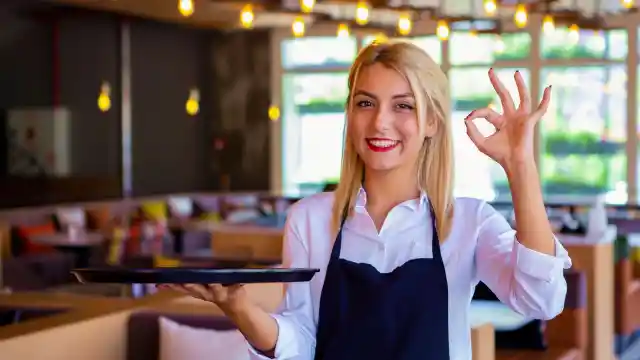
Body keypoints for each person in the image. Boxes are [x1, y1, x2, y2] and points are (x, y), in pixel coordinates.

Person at [161, 40, 572, 360]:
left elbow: (541, 300)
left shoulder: (468, 221)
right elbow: (304, 343)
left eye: (403, 106)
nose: (380, 122)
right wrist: (241, 310)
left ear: (431, 122)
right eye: (365, 103)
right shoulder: (309, 219)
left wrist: (520, 165)